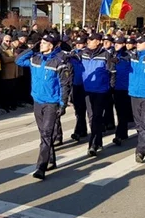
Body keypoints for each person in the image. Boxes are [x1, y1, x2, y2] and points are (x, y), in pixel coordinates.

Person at [16, 34, 73, 180]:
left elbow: (64, 84)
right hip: (37, 101)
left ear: (52, 45)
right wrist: (31, 50)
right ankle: (51, 160)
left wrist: (63, 103)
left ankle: (41, 167)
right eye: (41, 42)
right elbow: (18, 60)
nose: (41, 44)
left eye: (44, 43)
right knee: (43, 134)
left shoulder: (59, 61)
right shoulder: (35, 58)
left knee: (47, 134)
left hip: (51, 103)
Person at [78, 33, 116, 156]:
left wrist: (110, 88)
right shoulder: (83, 53)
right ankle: (98, 140)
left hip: (101, 91)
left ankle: (93, 144)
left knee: (97, 117)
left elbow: (112, 72)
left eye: (92, 40)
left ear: (98, 42)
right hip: (87, 90)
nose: (89, 42)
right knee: (91, 117)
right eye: (88, 40)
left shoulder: (106, 55)